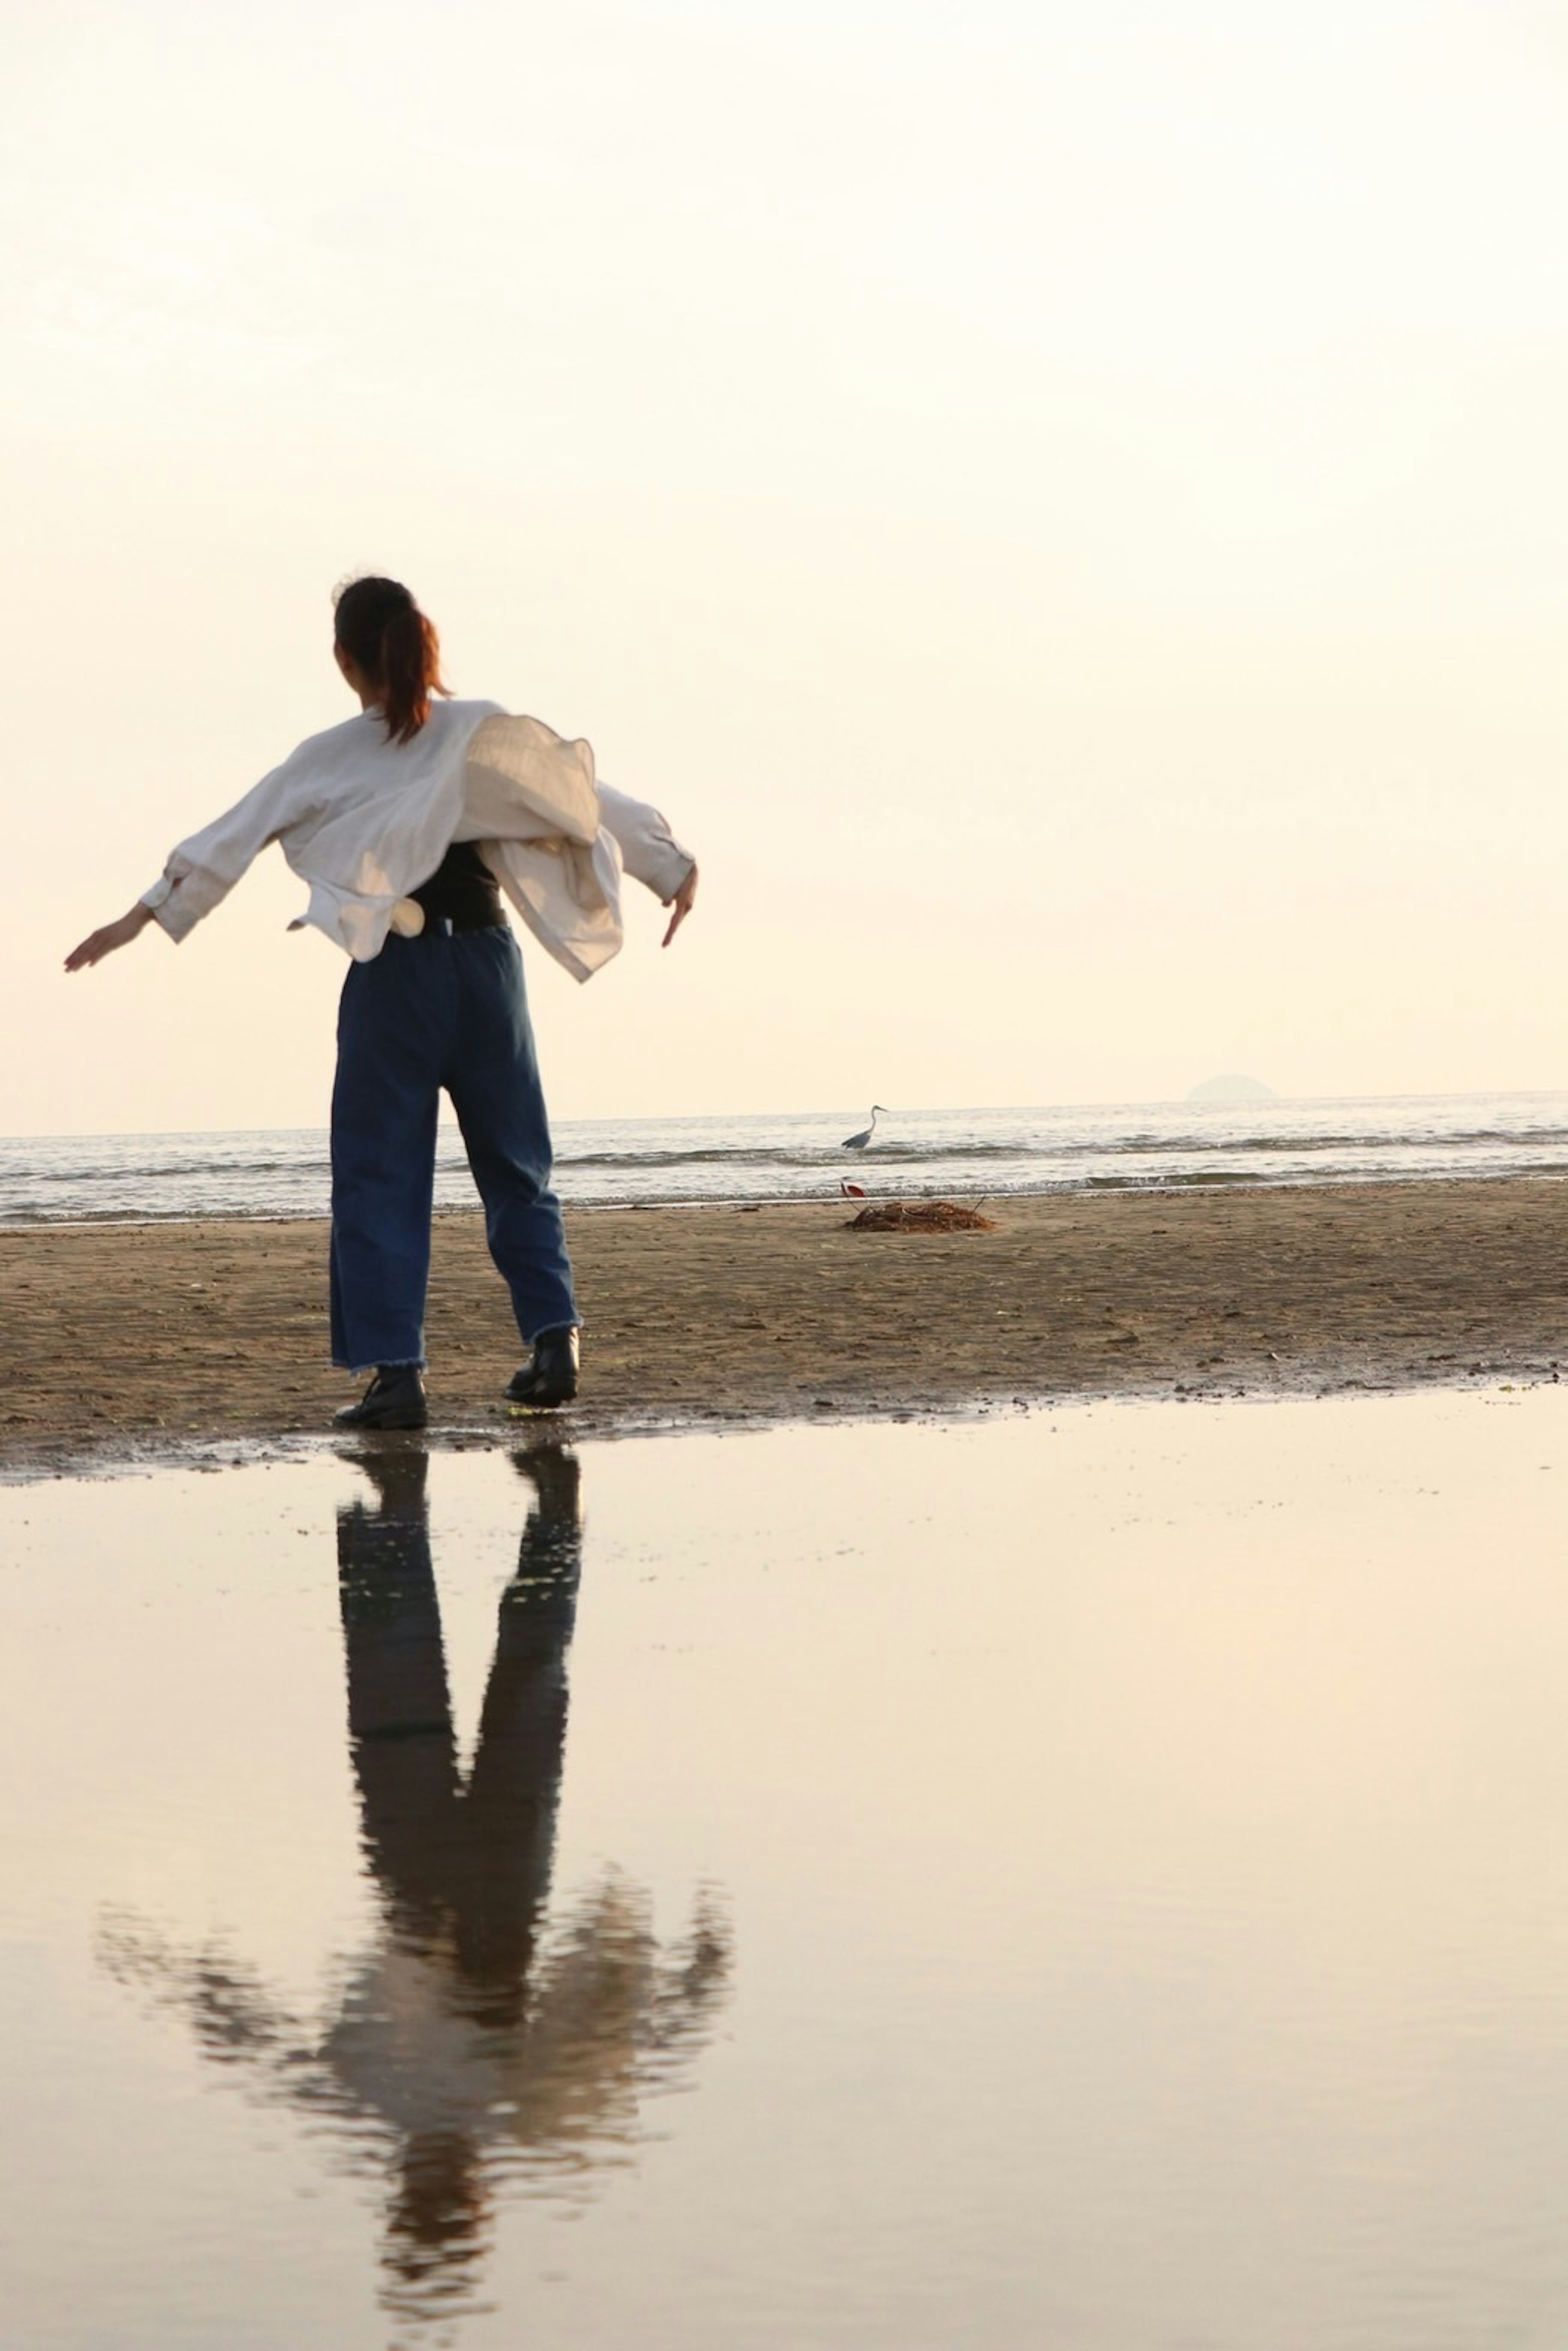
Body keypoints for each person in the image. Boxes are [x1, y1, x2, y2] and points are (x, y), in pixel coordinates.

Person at [64, 575, 699, 1428]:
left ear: (345, 660)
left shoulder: (327, 755)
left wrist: (141, 915)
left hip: (398, 978)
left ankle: (397, 1378)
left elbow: (234, 834)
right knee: (516, 1165)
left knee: (377, 1176)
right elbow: (589, 796)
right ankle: (555, 1343)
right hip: (487, 968)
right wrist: (673, 866)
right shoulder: (480, 725)